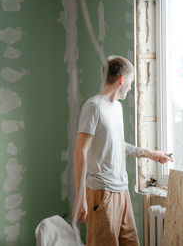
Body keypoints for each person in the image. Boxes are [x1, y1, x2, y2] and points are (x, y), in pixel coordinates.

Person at [72, 55, 172, 246]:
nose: (130, 88)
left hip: (122, 190)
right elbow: (80, 152)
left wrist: (151, 154)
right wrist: (81, 196)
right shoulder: (93, 107)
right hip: (101, 193)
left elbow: (116, 145)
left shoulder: (116, 107)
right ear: (122, 80)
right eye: (130, 83)